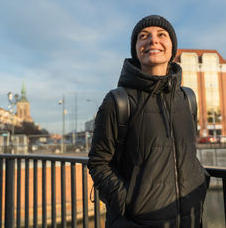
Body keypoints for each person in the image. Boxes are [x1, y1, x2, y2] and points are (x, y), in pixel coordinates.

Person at [88, 15, 210, 228]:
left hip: (190, 219)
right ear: (136, 49)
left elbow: (188, 151)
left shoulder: (187, 98)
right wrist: (127, 202)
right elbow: (99, 162)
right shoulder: (118, 100)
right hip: (138, 222)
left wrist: (201, 181)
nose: (152, 40)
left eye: (161, 35)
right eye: (143, 37)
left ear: (172, 49)